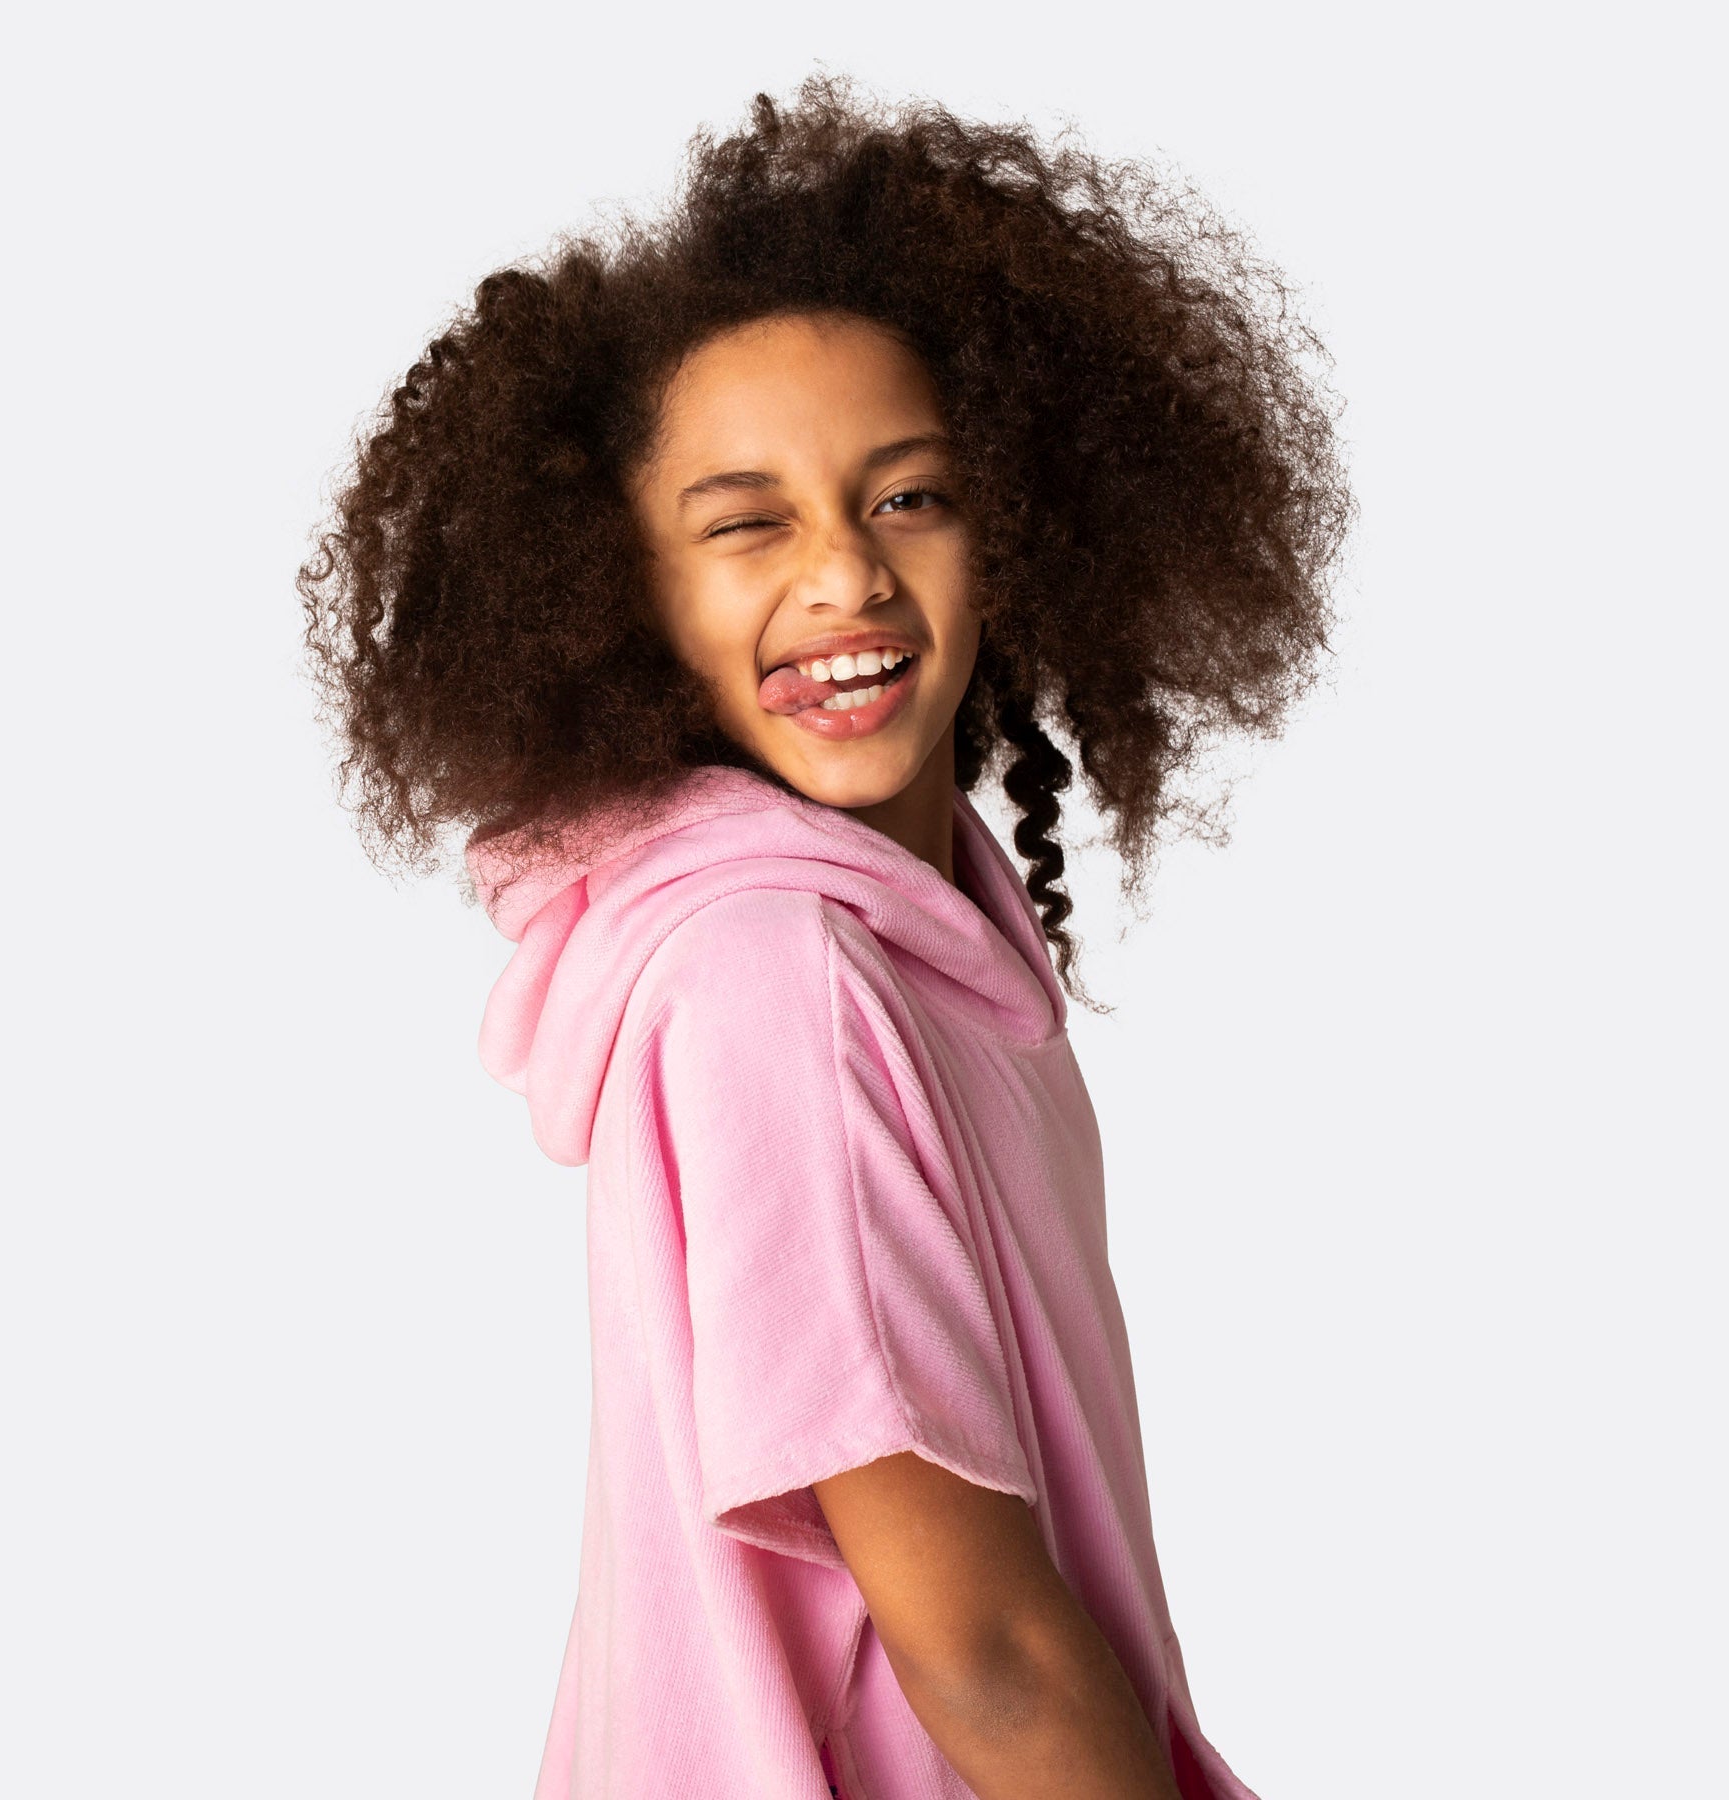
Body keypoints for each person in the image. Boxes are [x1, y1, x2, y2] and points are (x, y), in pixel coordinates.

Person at [300, 73, 1351, 1800]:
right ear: (622, 599)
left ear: (1019, 527)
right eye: (745, 522)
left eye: (909, 496)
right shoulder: (778, 974)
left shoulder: (929, 936)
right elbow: (984, 1651)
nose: (847, 577)